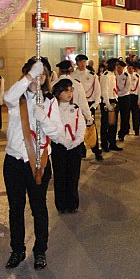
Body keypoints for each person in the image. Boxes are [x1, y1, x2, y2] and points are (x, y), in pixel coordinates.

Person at [3, 57, 62, 270]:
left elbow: (56, 133)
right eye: (35, 73)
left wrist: (43, 119)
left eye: (42, 74)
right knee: (15, 209)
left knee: (39, 209)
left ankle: (40, 251)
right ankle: (17, 249)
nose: (39, 78)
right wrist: (29, 77)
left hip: (39, 163)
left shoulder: (50, 102)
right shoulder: (17, 98)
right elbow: (7, 96)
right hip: (14, 162)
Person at [50, 78, 86, 214]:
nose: (69, 94)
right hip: (59, 146)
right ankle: (61, 204)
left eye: (71, 90)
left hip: (74, 146)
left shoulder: (75, 108)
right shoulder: (53, 109)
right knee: (60, 175)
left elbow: (81, 125)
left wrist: (78, 140)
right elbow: (51, 129)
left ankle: (72, 203)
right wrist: (64, 141)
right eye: (65, 91)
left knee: (73, 175)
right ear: (58, 92)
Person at [72, 54, 102, 161]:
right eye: (80, 62)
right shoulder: (72, 75)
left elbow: (98, 91)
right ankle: (81, 150)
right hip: (78, 106)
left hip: (89, 104)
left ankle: (96, 151)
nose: (82, 64)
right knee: (78, 128)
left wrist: (95, 105)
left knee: (91, 129)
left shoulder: (92, 75)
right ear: (76, 63)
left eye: (84, 61)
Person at [99, 59, 122, 152]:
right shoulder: (106, 75)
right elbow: (104, 90)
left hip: (114, 99)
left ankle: (112, 142)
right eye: (116, 65)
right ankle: (104, 144)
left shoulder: (113, 75)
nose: (117, 67)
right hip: (107, 101)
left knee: (113, 124)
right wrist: (107, 104)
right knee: (105, 124)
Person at [116, 60, 132, 142]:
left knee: (124, 116)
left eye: (120, 67)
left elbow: (127, 88)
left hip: (124, 97)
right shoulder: (114, 75)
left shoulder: (126, 75)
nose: (118, 69)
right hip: (116, 97)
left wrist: (118, 93)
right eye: (117, 67)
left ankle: (122, 133)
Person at [127, 62, 140, 135]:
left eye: (131, 68)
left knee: (135, 114)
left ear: (133, 69)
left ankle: (136, 130)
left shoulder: (137, 76)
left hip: (134, 96)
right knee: (126, 114)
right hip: (127, 96)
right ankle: (126, 129)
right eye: (128, 68)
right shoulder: (125, 76)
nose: (130, 70)